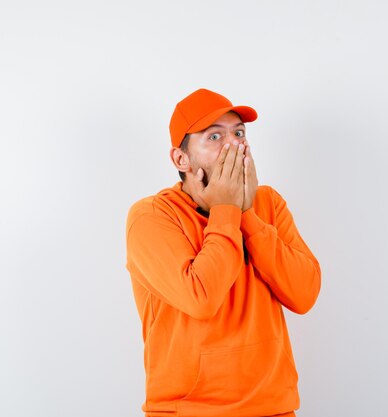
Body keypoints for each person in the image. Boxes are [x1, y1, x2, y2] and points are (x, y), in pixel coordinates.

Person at [125, 88, 322, 417]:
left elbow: (304, 294)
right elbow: (201, 297)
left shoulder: (268, 204)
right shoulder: (152, 216)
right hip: (187, 411)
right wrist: (228, 210)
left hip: (273, 407)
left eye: (239, 133)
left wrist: (246, 215)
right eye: (214, 136)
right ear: (181, 159)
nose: (234, 144)